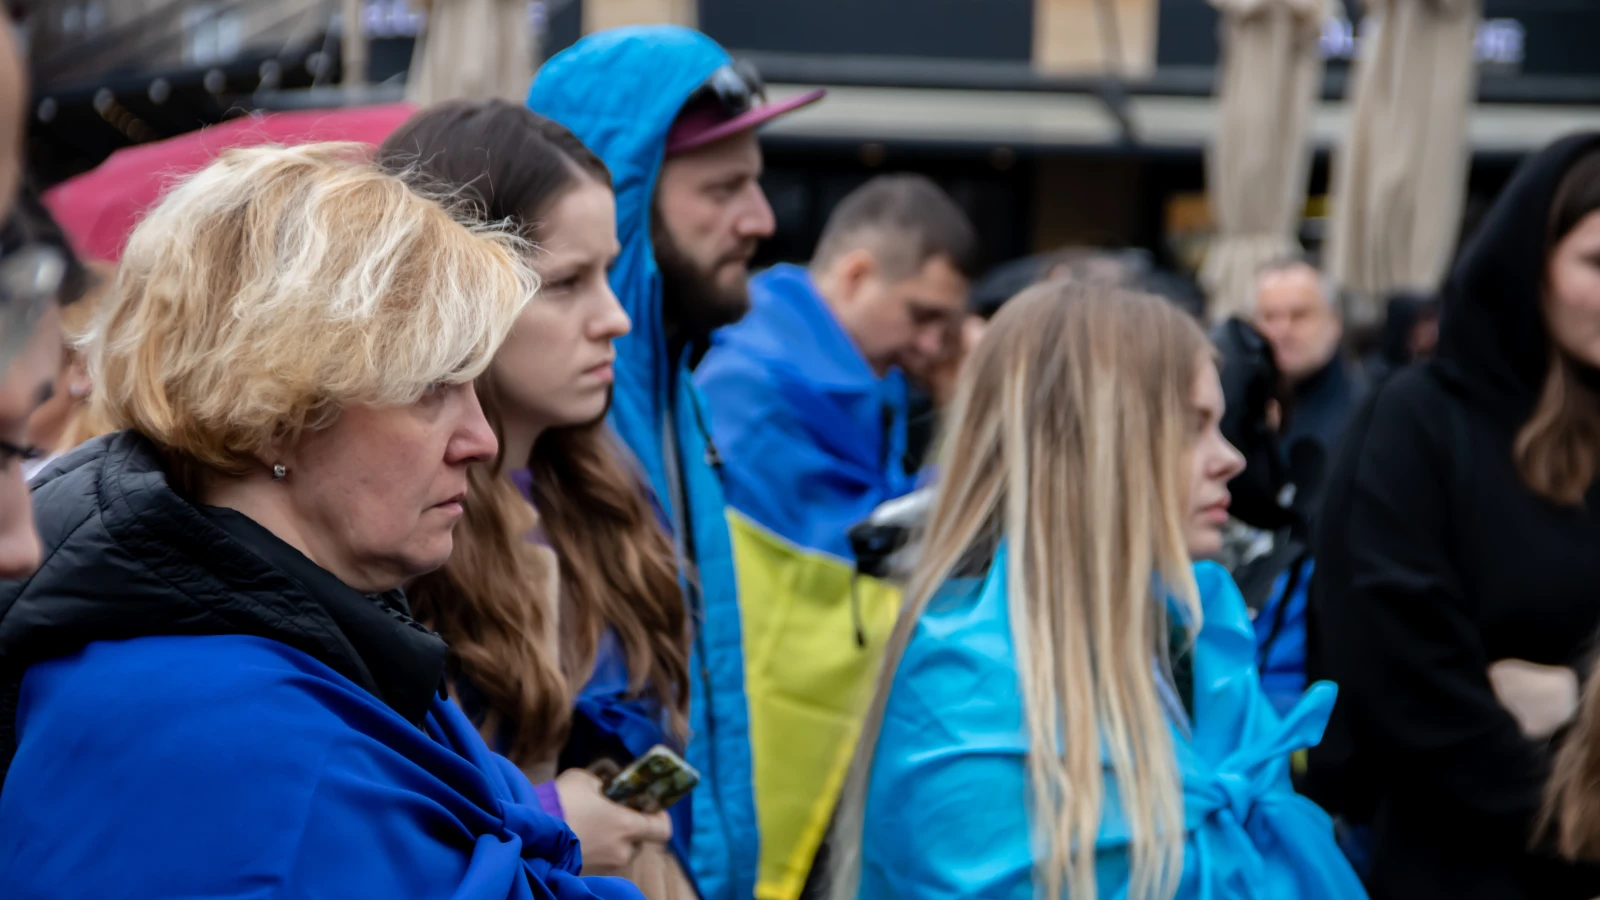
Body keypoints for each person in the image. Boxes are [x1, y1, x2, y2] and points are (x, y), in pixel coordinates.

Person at [0, 143, 641, 900]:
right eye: (433, 386)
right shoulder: (223, 740)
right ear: (275, 414)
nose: (482, 440)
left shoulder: (295, 630)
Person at [832, 281, 1364, 900]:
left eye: (1220, 425)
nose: (1231, 459)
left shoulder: (1192, 637)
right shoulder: (969, 682)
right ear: (1090, 442)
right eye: (1192, 427)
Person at [527, 26, 822, 900]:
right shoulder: (547, 430)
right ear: (628, 195)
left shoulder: (670, 389)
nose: (762, 221)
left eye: (757, 183)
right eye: (724, 188)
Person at [378, 99, 693, 896]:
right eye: (566, 284)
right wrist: (550, 816)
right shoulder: (390, 528)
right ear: (459, 292)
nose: (615, 318)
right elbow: (380, 835)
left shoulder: (609, 497)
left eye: (611, 276)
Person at [1305, 133, 1600, 900]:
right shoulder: (1420, 420)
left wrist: (1573, 689)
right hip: (1461, 866)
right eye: (1596, 263)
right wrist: (1562, 819)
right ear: (1527, 266)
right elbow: (1395, 662)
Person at [699, 173, 977, 558]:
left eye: (944, 325)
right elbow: (864, 556)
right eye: (921, 315)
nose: (931, 345)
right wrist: (973, 419)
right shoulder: (751, 390)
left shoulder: (862, 374)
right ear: (855, 276)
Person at [1252, 258, 1365, 464]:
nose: (1281, 330)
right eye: (1269, 317)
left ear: (1335, 322)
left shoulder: (1363, 409)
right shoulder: (1239, 402)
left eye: (1299, 315)